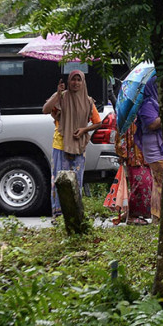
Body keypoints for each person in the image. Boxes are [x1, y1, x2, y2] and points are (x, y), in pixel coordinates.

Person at [42, 70, 102, 217]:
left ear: (83, 82)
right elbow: (45, 110)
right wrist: (57, 94)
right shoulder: (61, 97)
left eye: (79, 80)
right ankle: (58, 215)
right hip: (60, 145)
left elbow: (98, 123)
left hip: (79, 146)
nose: (76, 83)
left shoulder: (88, 101)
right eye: (73, 80)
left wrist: (84, 130)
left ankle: (74, 215)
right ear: (69, 81)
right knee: (59, 181)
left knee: (76, 181)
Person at [135, 76, 163, 222]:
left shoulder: (159, 102)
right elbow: (151, 124)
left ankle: (159, 215)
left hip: (161, 145)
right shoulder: (147, 103)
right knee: (160, 180)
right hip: (153, 146)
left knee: (160, 182)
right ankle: (157, 217)